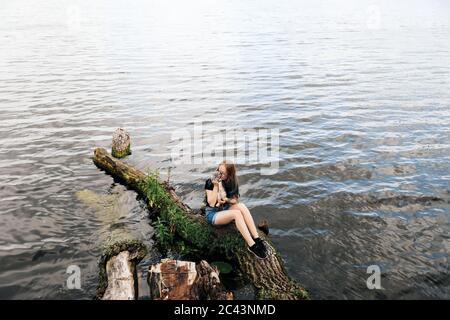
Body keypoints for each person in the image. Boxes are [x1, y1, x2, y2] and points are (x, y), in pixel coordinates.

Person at [204, 160, 268, 259]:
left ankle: (257, 238)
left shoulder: (230, 181)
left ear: (229, 175)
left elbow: (234, 201)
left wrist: (226, 200)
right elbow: (211, 203)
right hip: (213, 214)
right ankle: (252, 245)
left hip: (224, 209)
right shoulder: (210, 181)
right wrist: (216, 185)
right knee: (237, 214)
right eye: (218, 171)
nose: (219, 174)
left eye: (222, 173)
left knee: (241, 206)